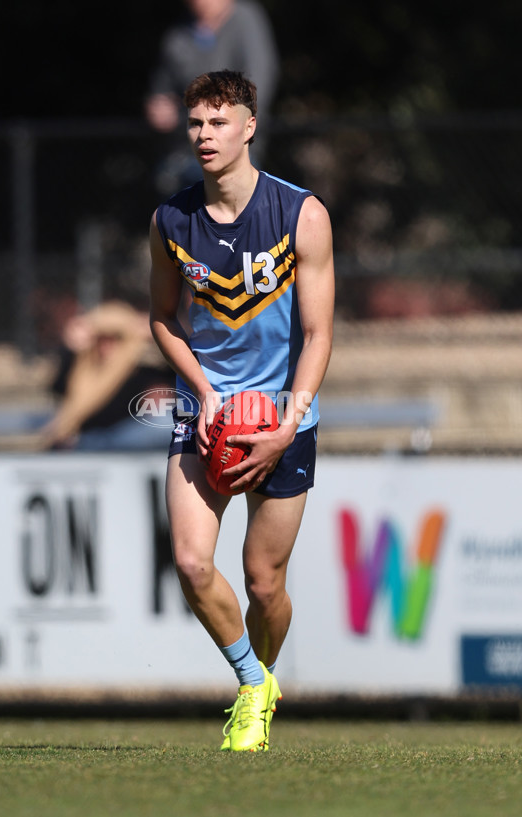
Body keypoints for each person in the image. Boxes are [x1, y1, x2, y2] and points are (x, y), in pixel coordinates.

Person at [149, 70, 335, 751]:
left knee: (264, 582)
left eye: (218, 122)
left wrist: (289, 420)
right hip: (206, 414)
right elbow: (162, 317)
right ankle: (252, 684)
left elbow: (317, 333)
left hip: (285, 420)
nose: (203, 135)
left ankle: (266, 672)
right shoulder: (171, 220)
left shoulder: (300, 214)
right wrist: (202, 389)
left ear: (249, 127)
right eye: (196, 123)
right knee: (193, 563)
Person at [145, 0, 279, 195]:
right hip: (181, 153)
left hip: (236, 152)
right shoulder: (178, 34)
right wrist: (159, 108)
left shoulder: (246, 20)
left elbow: (259, 84)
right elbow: (161, 90)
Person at [41, 300, 173, 451]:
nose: (106, 344)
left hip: (122, 438)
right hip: (91, 437)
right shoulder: (85, 366)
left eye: (115, 337)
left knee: (166, 421)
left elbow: (172, 372)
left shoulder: (141, 368)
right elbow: (59, 389)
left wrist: (157, 334)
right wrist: (70, 347)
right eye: (101, 337)